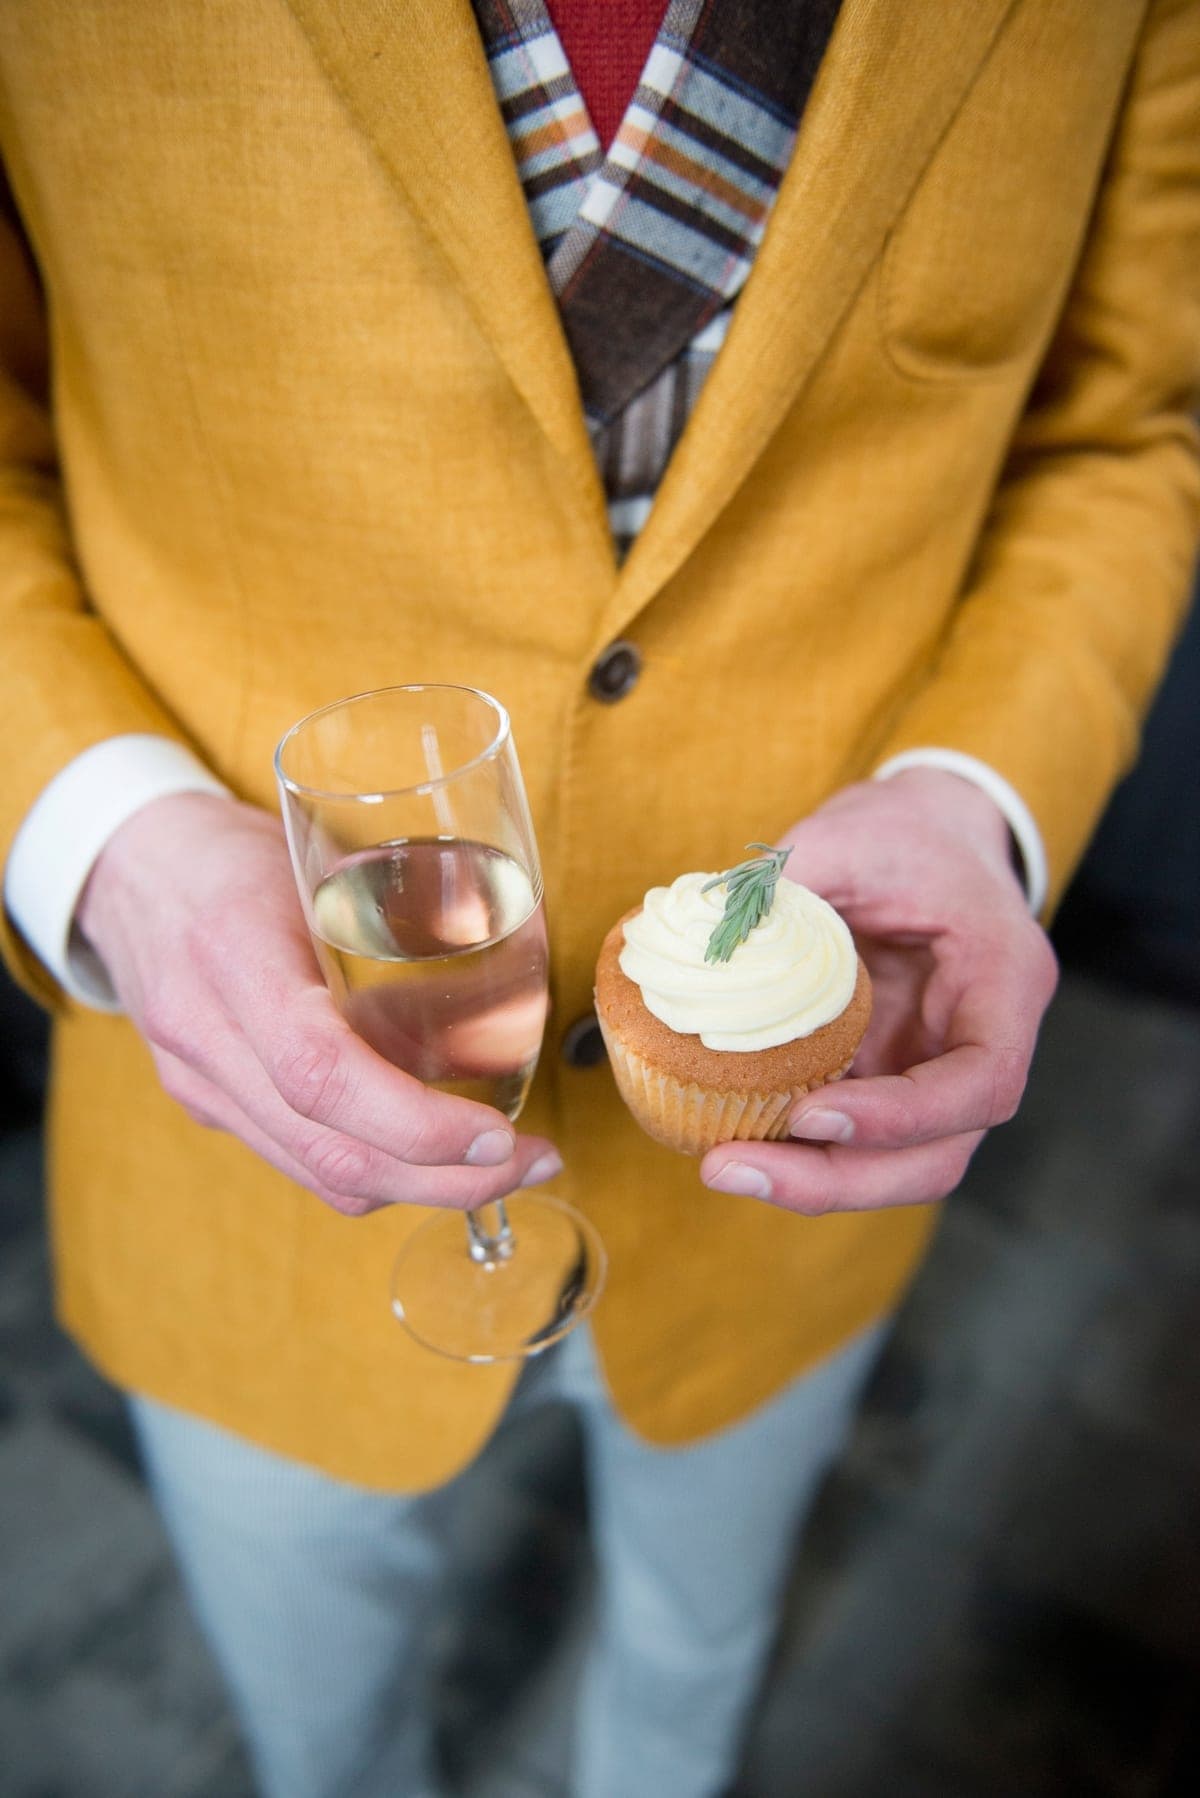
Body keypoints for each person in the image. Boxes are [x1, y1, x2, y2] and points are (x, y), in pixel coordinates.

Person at [1, 2, 1197, 1794]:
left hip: (810, 1112)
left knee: (696, 1661)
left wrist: (976, 798)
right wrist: (116, 846)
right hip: (238, 1143)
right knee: (319, 1724)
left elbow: (1126, 431)